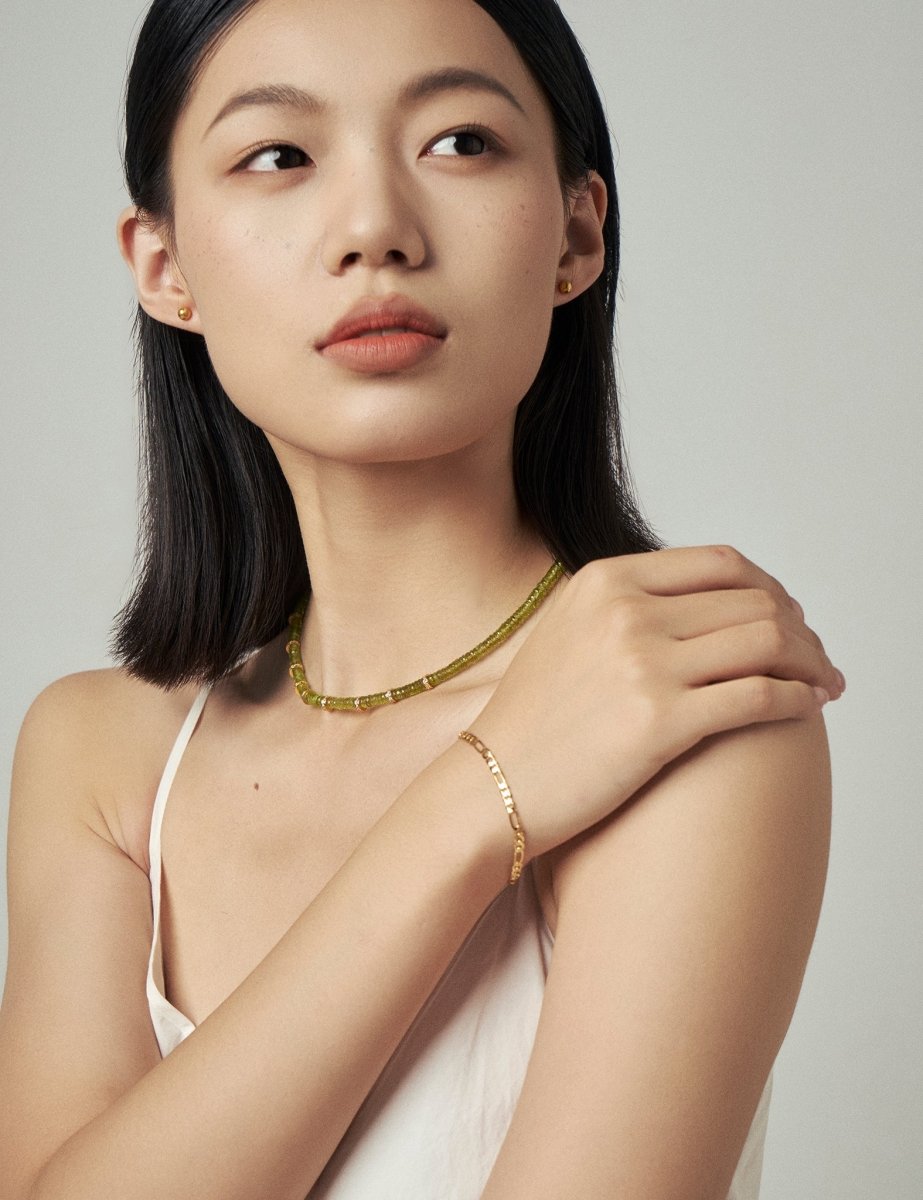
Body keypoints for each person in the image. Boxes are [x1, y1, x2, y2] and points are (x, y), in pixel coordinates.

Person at [0, 0, 843, 1197]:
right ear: (164, 266)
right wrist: (471, 803)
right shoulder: (101, 757)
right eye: (278, 155)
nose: (374, 230)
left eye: (459, 141)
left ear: (576, 232)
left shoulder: (679, 707)